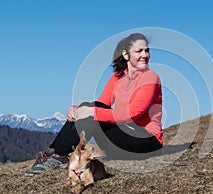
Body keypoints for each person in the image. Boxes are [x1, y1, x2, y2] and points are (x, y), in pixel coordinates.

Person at [25, 33, 163, 176]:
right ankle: (54, 153)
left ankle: (59, 156)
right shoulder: (117, 78)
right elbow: (102, 104)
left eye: (147, 50)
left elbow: (130, 115)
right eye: (139, 51)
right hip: (121, 141)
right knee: (90, 106)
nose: (145, 55)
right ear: (126, 55)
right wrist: (76, 110)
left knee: (92, 109)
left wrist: (90, 111)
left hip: (146, 142)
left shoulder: (150, 78)